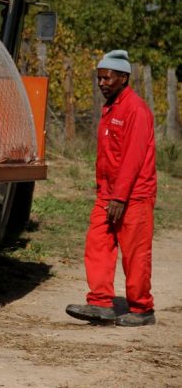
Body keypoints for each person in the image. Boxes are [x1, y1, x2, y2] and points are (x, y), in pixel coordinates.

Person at [66, 49, 157, 327]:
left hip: (134, 195)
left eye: (107, 78)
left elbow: (133, 157)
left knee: (135, 253)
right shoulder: (111, 107)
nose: (102, 84)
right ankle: (100, 303)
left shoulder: (136, 110)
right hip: (108, 193)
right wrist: (107, 192)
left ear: (123, 77)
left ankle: (142, 309)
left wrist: (119, 197)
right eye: (99, 79)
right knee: (98, 244)